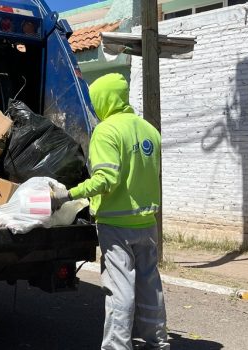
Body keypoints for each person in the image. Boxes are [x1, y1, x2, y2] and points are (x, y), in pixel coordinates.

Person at [51, 73, 169, 350]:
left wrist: (68, 195)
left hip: (116, 224)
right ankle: (157, 341)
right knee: (150, 284)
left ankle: (118, 345)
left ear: (104, 99)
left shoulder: (107, 131)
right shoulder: (149, 130)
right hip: (147, 221)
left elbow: (106, 179)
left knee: (120, 289)